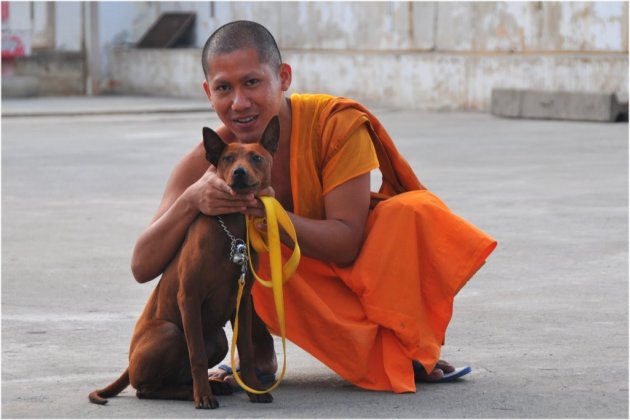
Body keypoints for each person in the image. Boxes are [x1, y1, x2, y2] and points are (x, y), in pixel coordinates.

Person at [131, 20, 496, 393]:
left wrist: (271, 214)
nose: (239, 103)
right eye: (224, 88)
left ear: (284, 77)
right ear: (209, 92)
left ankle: (408, 341)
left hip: (348, 269)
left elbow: (347, 241)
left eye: (252, 82)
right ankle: (255, 352)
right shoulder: (206, 161)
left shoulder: (334, 125)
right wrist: (191, 200)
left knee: (412, 214)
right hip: (280, 282)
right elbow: (142, 265)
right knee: (244, 245)